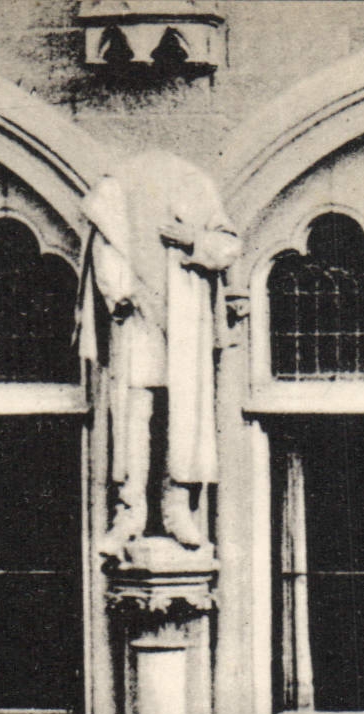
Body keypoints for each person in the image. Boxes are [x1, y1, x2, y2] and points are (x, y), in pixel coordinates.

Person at [79, 151, 240, 554]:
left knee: (183, 412)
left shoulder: (195, 183)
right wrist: (118, 293)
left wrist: (194, 241)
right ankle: (129, 511)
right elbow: (106, 246)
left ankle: (177, 506)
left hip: (185, 321)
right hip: (138, 319)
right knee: (135, 410)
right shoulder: (115, 187)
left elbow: (228, 245)